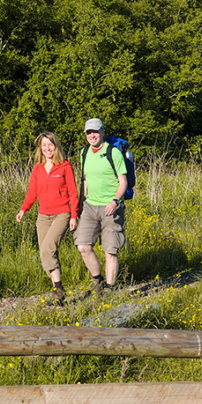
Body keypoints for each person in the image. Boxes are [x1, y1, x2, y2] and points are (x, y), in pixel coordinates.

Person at [16, 132, 79, 303]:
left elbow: (73, 193)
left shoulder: (65, 166)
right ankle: (58, 292)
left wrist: (74, 215)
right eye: (44, 145)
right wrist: (23, 209)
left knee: (47, 249)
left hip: (62, 214)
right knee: (45, 254)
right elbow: (32, 193)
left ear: (56, 146)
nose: (47, 148)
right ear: (40, 148)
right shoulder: (37, 168)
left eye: (50, 145)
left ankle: (58, 289)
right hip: (43, 216)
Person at [74, 118, 127, 296]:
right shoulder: (84, 152)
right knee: (82, 245)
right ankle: (98, 280)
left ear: (102, 132)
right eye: (89, 132)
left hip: (111, 205)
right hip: (90, 205)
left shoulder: (113, 153)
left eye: (95, 132)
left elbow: (123, 182)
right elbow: (85, 181)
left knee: (109, 250)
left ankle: (110, 291)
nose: (92, 135)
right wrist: (80, 206)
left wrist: (115, 201)